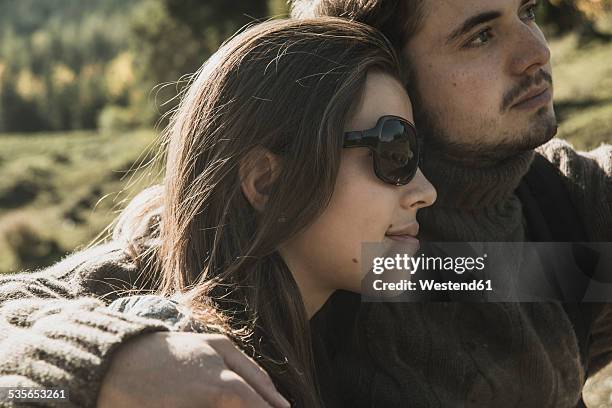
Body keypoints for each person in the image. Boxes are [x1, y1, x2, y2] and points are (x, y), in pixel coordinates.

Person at [0, 18, 436, 407]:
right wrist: (102, 367)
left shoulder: (367, 310)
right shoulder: (167, 341)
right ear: (267, 181)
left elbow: (495, 278)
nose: (426, 192)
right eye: (396, 151)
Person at [288, 0, 612, 407]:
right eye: (481, 36)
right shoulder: (331, 263)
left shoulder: (560, 199)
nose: (537, 53)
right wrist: (181, 350)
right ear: (384, 70)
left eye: (527, 12)